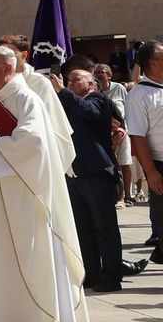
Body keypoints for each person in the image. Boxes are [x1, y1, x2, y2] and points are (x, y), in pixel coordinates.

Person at [0, 46, 87, 322]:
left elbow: (33, 144)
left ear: (9, 68)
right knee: (1, 257)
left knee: (26, 256)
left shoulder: (27, 99)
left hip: (25, 197)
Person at [58, 57, 144, 291]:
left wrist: (63, 93)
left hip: (97, 172)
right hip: (74, 173)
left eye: (76, 80)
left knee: (105, 227)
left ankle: (112, 275)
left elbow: (89, 111)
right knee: (84, 228)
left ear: (93, 84)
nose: (69, 83)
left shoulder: (97, 99)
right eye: (68, 81)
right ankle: (92, 273)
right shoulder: (68, 103)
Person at [0, 33, 76, 177]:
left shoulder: (40, 83)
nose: (5, 59)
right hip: (7, 158)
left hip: (38, 157)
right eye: (1, 54)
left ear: (24, 55)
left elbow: (52, 126)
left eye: (11, 53)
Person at [125, 40, 163, 258]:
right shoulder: (139, 95)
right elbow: (138, 136)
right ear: (153, 63)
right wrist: (150, 172)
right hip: (159, 164)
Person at [95, 64, 135, 204]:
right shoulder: (93, 90)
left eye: (102, 72)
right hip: (102, 135)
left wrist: (125, 131)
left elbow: (128, 108)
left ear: (109, 75)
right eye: (96, 72)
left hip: (121, 132)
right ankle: (114, 195)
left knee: (125, 163)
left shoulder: (119, 88)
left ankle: (128, 196)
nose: (98, 75)